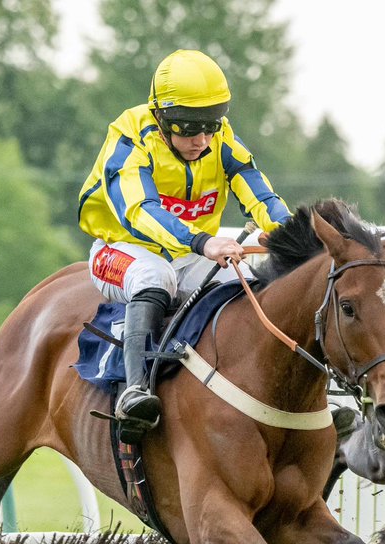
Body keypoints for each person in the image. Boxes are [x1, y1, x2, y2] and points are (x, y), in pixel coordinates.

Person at [78, 49, 291, 431]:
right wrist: (203, 242)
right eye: (188, 129)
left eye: (210, 126)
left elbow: (260, 194)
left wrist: (290, 232)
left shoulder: (220, 140)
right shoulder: (129, 139)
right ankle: (135, 392)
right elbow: (140, 210)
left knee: (246, 287)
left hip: (187, 251)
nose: (202, 140)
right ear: (160, 116)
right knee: (155, 278)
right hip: (119, 249)